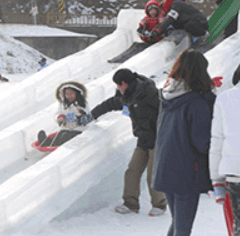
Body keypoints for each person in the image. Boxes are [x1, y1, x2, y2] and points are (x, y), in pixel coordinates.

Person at [153, 50, 216, 236]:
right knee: (183, 229)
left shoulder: (167, 96)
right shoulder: (196, 103)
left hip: (165, 167)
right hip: (188, 170)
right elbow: (201, 142)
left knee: (178, 225)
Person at [90, 69, 166, 215]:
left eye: (118, 85)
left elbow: (166, 109)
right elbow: (110, 104)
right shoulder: (126, 95)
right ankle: (131, 204)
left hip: (158, 138)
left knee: (153, 174)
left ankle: (159, 205)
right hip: (143, 138)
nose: (117, 88)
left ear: (124, 83)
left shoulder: (149, 94)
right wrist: (92, 115)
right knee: (132, 171)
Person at [210, 65, 240, 236]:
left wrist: (215, 178)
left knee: (238, 226)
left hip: (234, 172)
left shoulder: (224, 99)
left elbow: (217, 141)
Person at [36, 81, 92, 149]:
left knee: (66, 137)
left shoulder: (82, 104)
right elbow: (57, 113)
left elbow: (88, 116)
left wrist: (80, 115)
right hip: (66, 127)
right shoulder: (63, 104)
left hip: (79, 130)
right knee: (59, 135)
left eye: (72, 93)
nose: (69, 96)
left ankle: (58, 144)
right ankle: (46, 142)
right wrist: (59, 118)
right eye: (67, 94)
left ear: (77, 93)